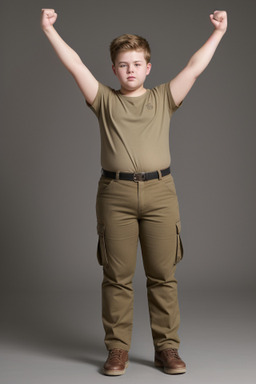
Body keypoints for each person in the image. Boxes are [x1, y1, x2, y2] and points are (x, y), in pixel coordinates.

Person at [40, 8, 227, 376]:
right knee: (116, 276)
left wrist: (219, 32)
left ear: (148, 68)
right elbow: (75, 65)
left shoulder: (163, 99)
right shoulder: (104, 101)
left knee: (163, 275)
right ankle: (117, 350)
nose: (130, 70)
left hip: (161, 193)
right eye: (123, 64)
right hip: (115, 194)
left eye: (137, 63)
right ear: (113, 70)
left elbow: (194, 67)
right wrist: (49, 30)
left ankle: (167, 349)